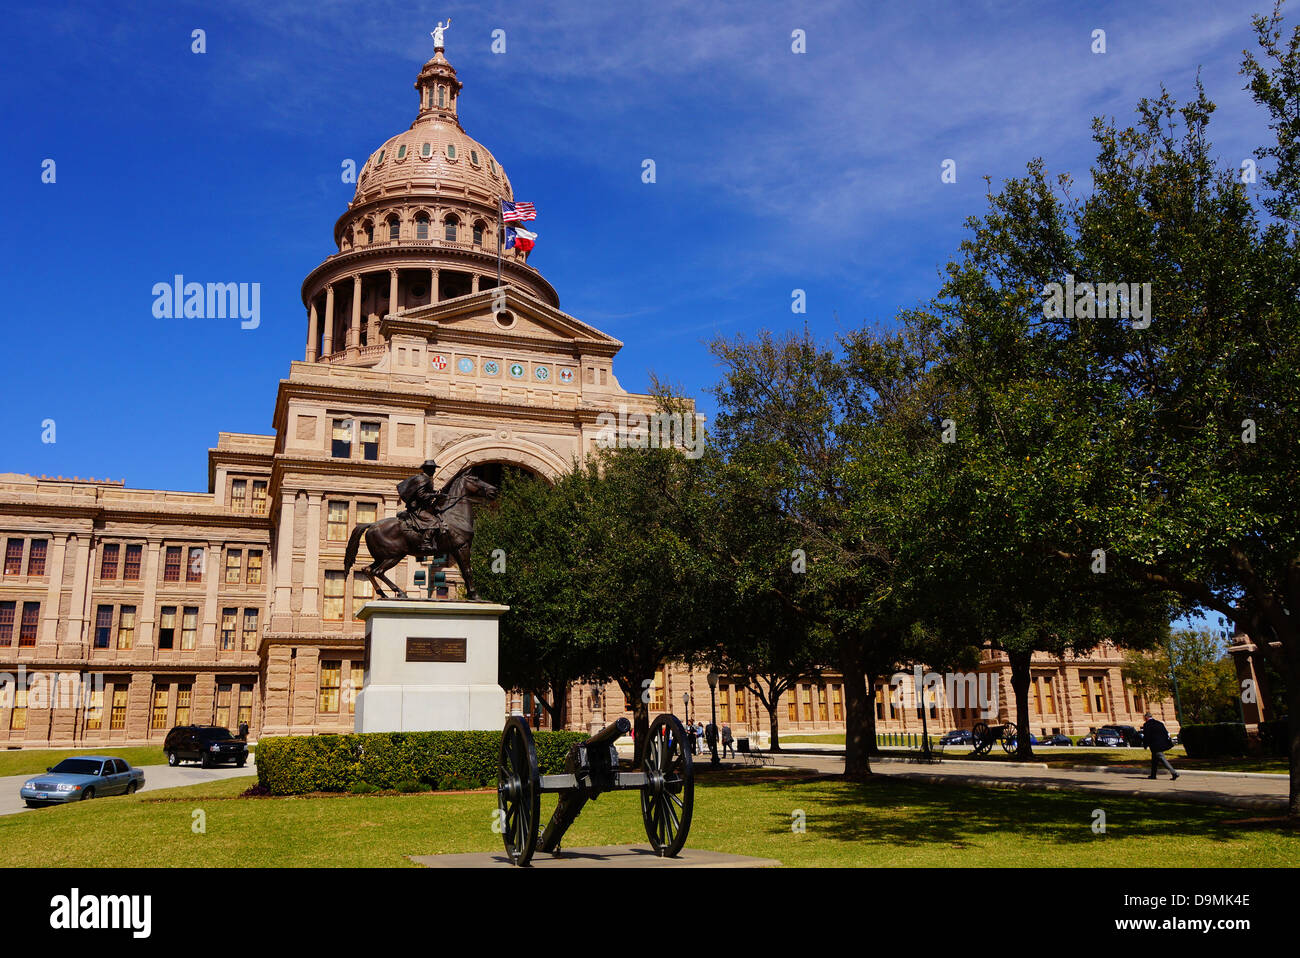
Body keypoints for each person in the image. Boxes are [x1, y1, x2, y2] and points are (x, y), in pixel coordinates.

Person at [395, 459, 447, 555]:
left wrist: (436, 492)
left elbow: (425, 492)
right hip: (417, 508)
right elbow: (421, 495)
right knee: (433, 522)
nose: (435, 471)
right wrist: (435, 495)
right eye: (433, 469)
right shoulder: (423, 479)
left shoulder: (426, 478)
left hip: (424, 506)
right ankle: (425, 543)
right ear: (428, 469)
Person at [1141, 711, 1179, 780]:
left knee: (1162, 758)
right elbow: (1166, 733)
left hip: (1155, 745)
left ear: (1146, 717)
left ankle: (1174, 773)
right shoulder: (1160, 723)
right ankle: (1153, 775)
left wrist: (1145, 744)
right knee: (1154, 760)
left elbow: (1147, 736)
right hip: (1162, 744)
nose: (1144, 719)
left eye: (1144, 718)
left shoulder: (1147, 725)